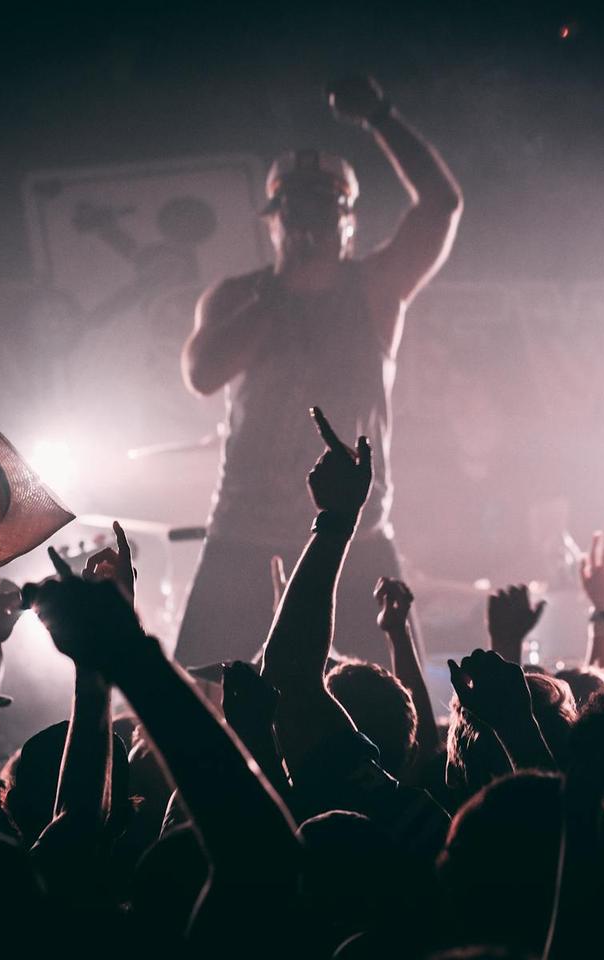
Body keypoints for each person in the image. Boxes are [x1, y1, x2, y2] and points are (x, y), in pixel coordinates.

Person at [177, 73, 462, 667]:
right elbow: (202, 374)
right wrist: (281, 293)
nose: (308, 226)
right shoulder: (236, 297)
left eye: (322, 212)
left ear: (347, 220)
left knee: (386, 708)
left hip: (356, 534)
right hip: (245, 536)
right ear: (273, 221)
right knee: (204, 695)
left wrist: (381, 115)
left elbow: (442, 204)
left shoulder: (377, 289)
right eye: (294, 212)